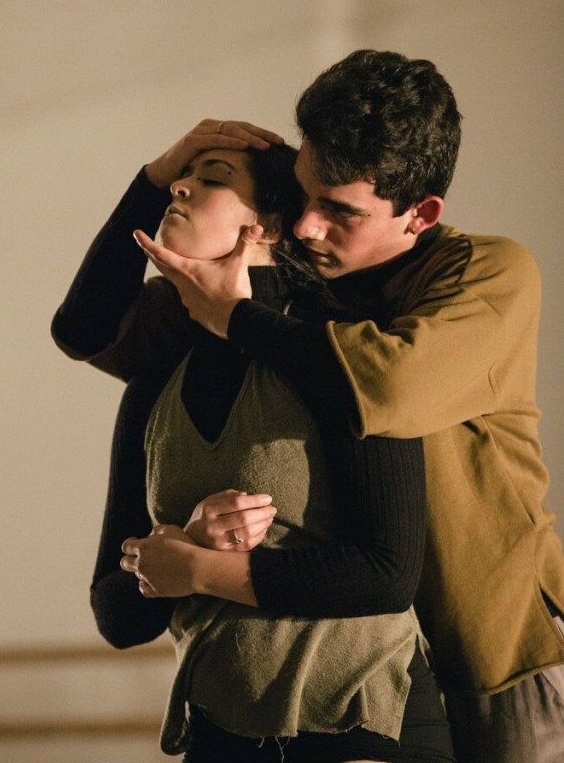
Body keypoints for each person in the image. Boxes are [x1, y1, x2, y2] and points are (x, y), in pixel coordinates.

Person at [133, 50, 564, 763]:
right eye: (304, 196)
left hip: (501, 655)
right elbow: (87, 331)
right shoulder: (309, 289)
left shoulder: (490, 272)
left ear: (421, 214)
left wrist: (234, 318)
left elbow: (390, 387)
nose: (307, 226)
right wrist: (154, 177)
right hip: (381, 664)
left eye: (340, 210)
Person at [52, 130, 457, 761]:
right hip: (219, 732)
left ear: (267, 226)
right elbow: (117, 616)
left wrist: (200, 571)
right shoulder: (156, 383)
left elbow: (386, 575)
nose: (180, 187)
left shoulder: (340, 350)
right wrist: (183, 545)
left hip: (363, 723)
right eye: (183, 177)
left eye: (212, 177)